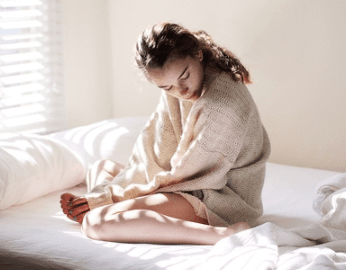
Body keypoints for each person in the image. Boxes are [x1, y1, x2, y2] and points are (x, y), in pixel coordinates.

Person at [60, 22, 271, 245]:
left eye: (184, 76)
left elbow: (190, 176)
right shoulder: (179, 86)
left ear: (198, 54)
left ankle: (222, 235)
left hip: (219, 197)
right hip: (192, 182)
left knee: (96, 222)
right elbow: (156, 152)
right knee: (101, 166)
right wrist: (112, 195)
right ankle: (99, 202)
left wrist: (109, 198)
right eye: (166, 87)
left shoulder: (221, 104)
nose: (181, 91)